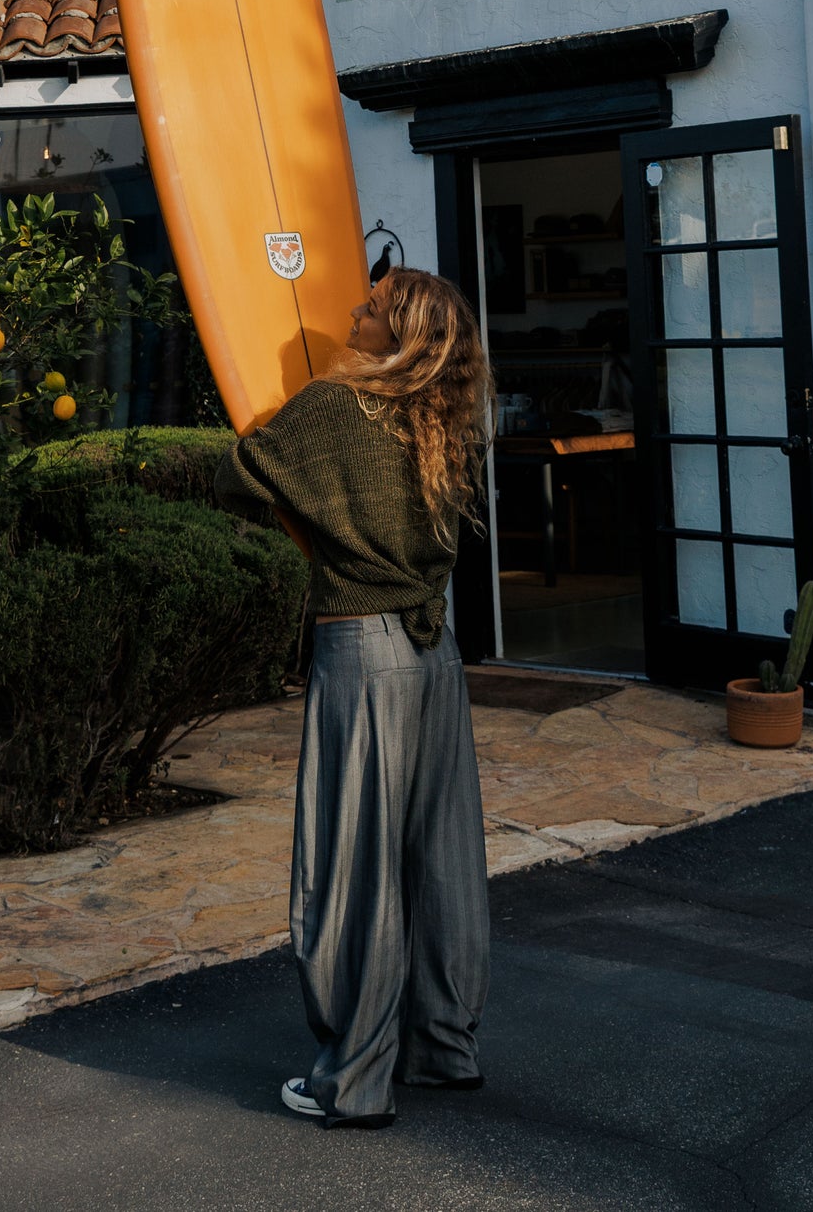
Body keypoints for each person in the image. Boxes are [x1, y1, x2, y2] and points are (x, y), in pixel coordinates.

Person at [215, 266, 494, 1129]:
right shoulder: (444, 420)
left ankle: (354, 1082)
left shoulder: (338, 407)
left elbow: (248, 468)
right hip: (435, 647)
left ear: (399, 334)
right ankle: (443, 1049)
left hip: (363, 646)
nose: (351, 314)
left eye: (369, 310)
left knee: (352, 864)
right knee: (441, 856)